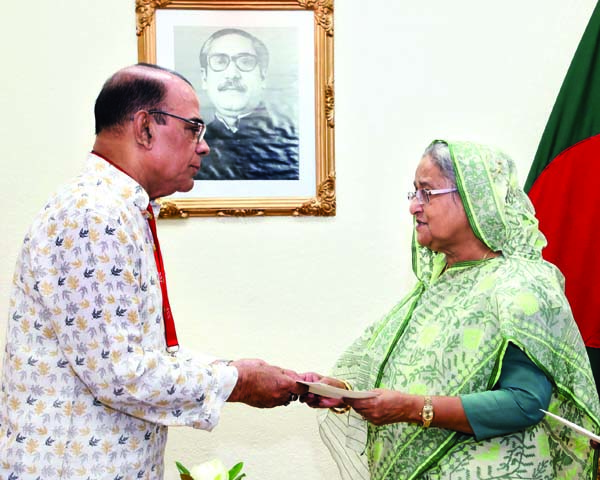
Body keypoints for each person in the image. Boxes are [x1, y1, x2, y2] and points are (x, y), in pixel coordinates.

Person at [0, 63, 305, 480]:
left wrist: (236, 369)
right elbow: (122, 374)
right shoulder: (94, 215)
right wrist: (237, 381)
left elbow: (136, 358)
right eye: (194, 128)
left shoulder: (119, 210)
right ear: (145, 128)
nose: (204, 147)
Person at [300, 140, 600, 479]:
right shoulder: (436, 284)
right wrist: (340, 389)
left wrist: (414, 409)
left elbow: (525, 402)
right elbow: (392, 369)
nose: (413, 206)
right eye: (413, 193)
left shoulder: (522, 285)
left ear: (475, 197)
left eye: (426, 193)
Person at [193, 28, 299, 181]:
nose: (232, 74)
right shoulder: (190, 148)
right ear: (204, 78)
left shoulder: (291, 143)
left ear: (263, 76)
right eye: (220, 61)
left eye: (245, 61)